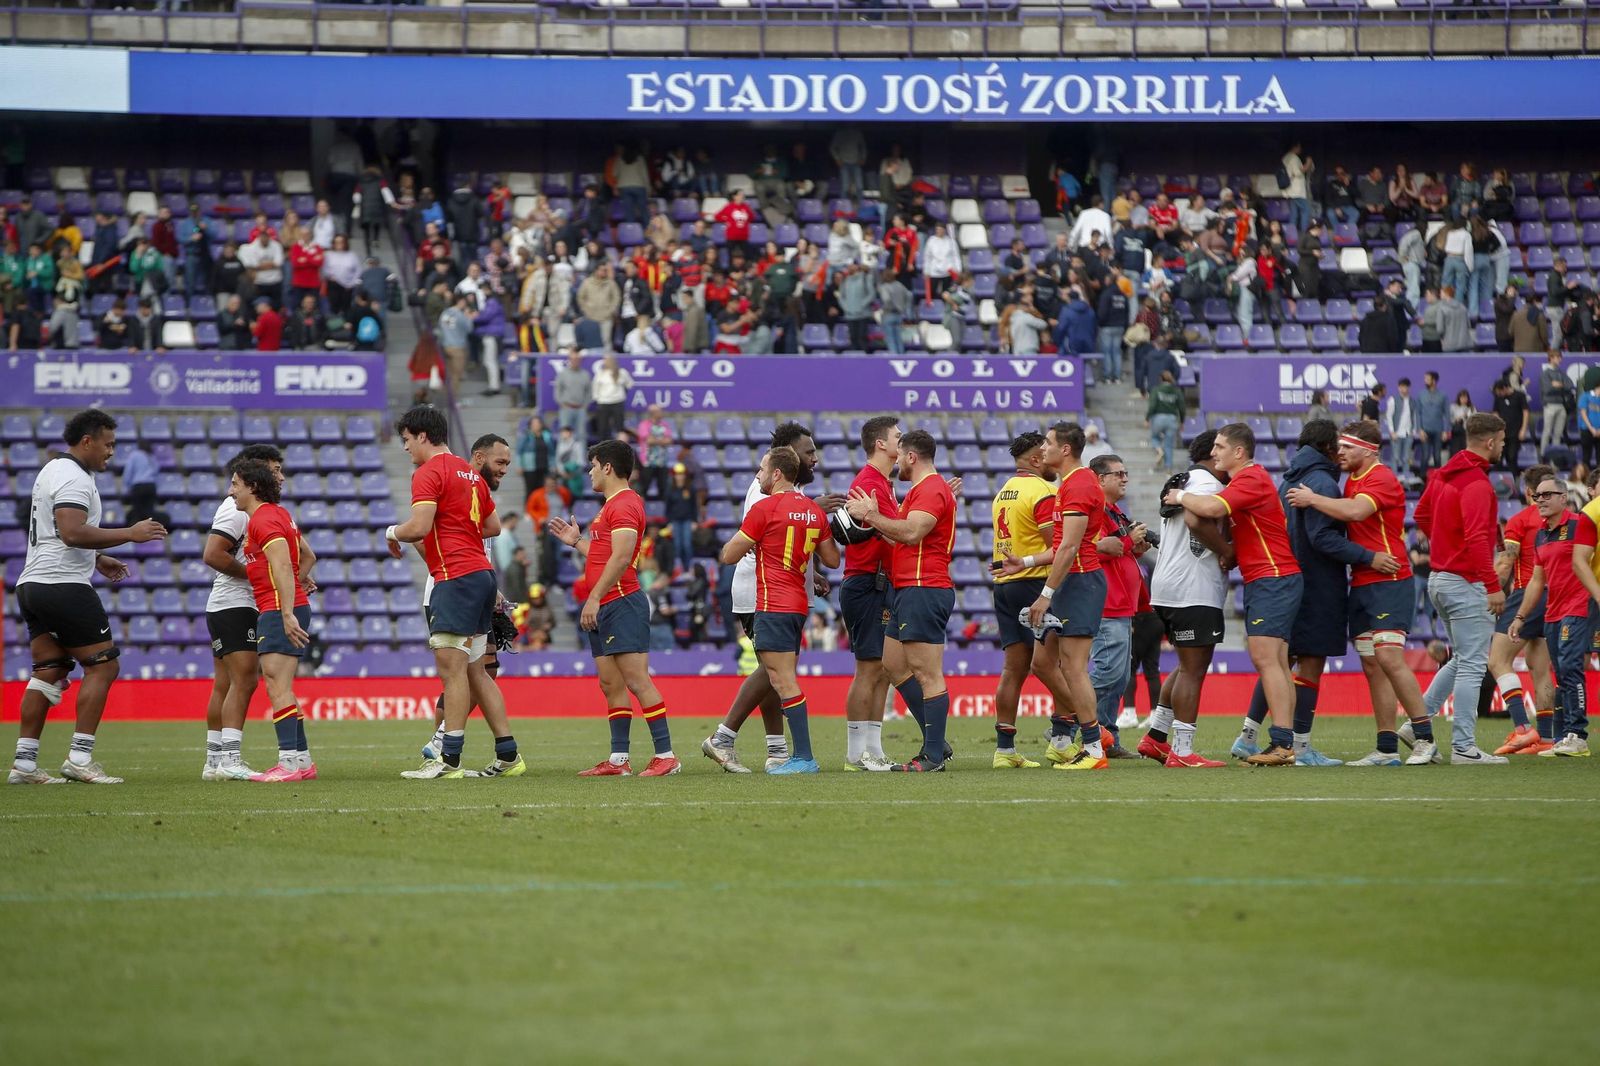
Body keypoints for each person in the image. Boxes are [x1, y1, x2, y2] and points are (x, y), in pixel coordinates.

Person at [9, 410, 166, 785]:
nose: (111, 452)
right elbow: (71, 532)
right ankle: (80, 758)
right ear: (87, 441)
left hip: (33, 583)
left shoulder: (52, 470)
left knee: (50, 670)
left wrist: (98, 559)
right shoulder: (74, 478)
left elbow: (55, 533)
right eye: (108, 444)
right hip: (62, 584)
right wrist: (130, 533)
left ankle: (25, 764)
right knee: (103, 666)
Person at [1287, 421, 1439, 766]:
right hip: (1363, 581)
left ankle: (1426, 738)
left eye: (1347, 448)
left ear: (1369, 450)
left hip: (1390, 578)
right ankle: (1386, 747)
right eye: (1339, 447)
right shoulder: (1353, 480)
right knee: (1371, 664)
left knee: (1388, 659)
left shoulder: (1380, 477)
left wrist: (1313, 498)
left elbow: (1357, 511)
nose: (1339, 453)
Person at [386, 406, 519, 779]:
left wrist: (391, 533)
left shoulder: (429, 472)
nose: (406, 448)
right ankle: (507, 754)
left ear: (422, 435)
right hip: (482, 576)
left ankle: (448, 761)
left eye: (407, 440)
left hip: (454, 577)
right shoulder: (470, 474)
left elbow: (418, 527)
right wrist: (461, 526)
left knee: (453, 673)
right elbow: (491, 526)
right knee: (477, 671)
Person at [703, 423, 843, 772]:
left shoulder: (779, 499)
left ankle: (770, 747)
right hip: (764, 592)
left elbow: (763, 543)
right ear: (789, 457)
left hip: (776, 593)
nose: (815, 458)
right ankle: (752, 743)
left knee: (777, 671)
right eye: (808, 452)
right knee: (776, 670)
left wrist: (811, 572)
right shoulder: (769, 494)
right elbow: (770, 543)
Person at [1164, 423, 1303, 766]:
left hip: (1272, 577)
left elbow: (1210, 510)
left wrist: (1179, 496)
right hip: (1269, 577)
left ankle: (1282, 743)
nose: (1214, 453)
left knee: (1267, 659)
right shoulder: (1247, 480)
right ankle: (1285, 742)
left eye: (1221, 447)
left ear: (1238, 452)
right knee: (1277, 662)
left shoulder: (1251, 478)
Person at [1228, 420, 1360, 765]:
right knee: (1306, 664)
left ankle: (1249, 735)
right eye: (1340, 446)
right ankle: (1299, 747)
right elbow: (1322, 538)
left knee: (1278, 660)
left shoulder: (1290, 477)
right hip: (1315, 582)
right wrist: (1366, 555)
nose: (1342, 452)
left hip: (1286, 577)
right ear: (1329, 448)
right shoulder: (1322, 482)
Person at [550, 440, 681, 777]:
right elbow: (607, 553)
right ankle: (619, 761)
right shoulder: (611, 506)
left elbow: (623, 557)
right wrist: (577, 542)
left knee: (637, 680)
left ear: (607, 467)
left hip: (621, 602)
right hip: (608, 602)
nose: (591, 472)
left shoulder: (623, 504)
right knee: (611, 685)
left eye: (593, 465)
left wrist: (593, 597)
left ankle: (666, 756)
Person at [844, 429, 957, 772]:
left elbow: (910, 532)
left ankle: (933, 754)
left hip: (925, 587)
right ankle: (937, 741)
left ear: (911, 457)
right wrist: (875, 523)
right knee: (892, 664)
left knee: (927, 673)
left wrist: (871, 516)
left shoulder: (930, 489)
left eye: (901, 454)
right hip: (909, 587)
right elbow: (902, 537)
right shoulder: (924, 491)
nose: (897, 463)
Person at [1407, 412, 1509, 763]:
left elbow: (1420, 515)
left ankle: (1415, 723)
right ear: (1490, 441)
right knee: (1473, 664)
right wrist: (1493, 586)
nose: (1504, 447)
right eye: (1503, 440)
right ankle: (1464, 747)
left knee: (1463, 658)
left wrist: (1445, 543)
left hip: (1438, 579)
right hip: (1465, 581)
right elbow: (1479, 540)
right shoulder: (1478, 484)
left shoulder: (1443, 476)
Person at [201, 445, 297, 781]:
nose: (279, 476)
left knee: (225, 684)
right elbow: (213, 554)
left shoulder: (254, 509)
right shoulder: (238, 510)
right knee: (244, 681)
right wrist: (257, 576)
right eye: (274, 469)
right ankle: (229, 759)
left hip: (227, 604)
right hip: (236, 603)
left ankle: (214, 761)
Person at [1020, 423, 1111, 771]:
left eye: (1048, 443)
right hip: (1071, 580)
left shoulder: (1080, 485)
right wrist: (1025, 561)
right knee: (1042, 664)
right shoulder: (1069, 484)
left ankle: (1093, 748)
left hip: (1080, 582)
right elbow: (1061, 547)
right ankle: (1094, 732)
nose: (1043, 448)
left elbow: (1071, 548)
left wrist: (1045, 595)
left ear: (1066, 450)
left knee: (1073, 667)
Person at [1138, 432, 1231, 767]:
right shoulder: (1208, 485)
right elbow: (1195, 521)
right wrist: (1226, 550)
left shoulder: (1183, 480)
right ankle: (1183, 751)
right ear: (1211, 454)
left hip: (1167, 586)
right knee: (1194, 670)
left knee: (1186, 665)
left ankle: (1156, 737)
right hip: (1193, 587)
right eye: (1220, 449)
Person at [990, 431, 1078, 769]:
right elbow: (1055, 547)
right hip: (1035, 586)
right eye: (1046, 451)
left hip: (1005, 585)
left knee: (1014, 669)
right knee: (1052, 665)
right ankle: (1068, 736)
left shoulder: (1003, 492)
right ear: (1036, 459)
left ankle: (1005, 750)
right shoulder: (1043, 491)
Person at [228, 460, 317, 783]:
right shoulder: (279, 515)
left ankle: (288, 764)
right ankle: (302, 761)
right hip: (284, 606)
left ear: (252, 486)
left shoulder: (262, 520)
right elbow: (308, 557)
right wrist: (297, 590)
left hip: (277, 608)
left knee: (277, 685)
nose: (231, 491)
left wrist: (287, 611)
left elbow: (280, 564)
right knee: (284, 687)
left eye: (236, 484)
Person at [1509, 476, 1600, 758]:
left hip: (1578, 605)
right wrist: (1520, 616)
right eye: (1537, 496)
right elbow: (1537, 581)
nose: (1541, 500)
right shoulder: (1541, 534)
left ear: (1564, 497)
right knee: (1561, 673)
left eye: (1548, 495)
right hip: (1552, 611)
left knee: (1571, 668)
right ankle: (1563, 737)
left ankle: (1579, 735)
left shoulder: (1580, 524)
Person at [830, 416, 901, 772]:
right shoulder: (867, 483)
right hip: (865, 581)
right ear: (880, 444)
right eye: (897, 437)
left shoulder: (883, 484)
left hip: (880, 581)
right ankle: (856, 754)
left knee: (883, 669)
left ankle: (872, 749)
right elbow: (890, 534)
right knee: (868, 668)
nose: (901, 443)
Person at [1483, 465, 1559, 756]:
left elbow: (1505, 564)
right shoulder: (1564, 520)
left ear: (1528, 491)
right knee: (1540, 669)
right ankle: (1546, 739)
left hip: (1527, 594)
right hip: (1556, 597)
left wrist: (1486, 592)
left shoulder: (1520, 520)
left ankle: (1522, 730)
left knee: (1497, 661)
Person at [1088, 454, 1148, 758]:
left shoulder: (1114, 511)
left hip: (1122, 606)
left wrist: (1135, 544)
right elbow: (1097, 549)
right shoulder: (1095, 510)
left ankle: (1106, 736)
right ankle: (1076, 725)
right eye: (1118, 474)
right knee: (1107, 673)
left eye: (1126, 473)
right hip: (1107, 604)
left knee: (1120, 676)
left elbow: (1118, 548)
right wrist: (1127, 539)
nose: (1125, 478)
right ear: (1100, 479)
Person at [1146, 370, 1184, 471]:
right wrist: (1182, 421)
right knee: (1169, 444)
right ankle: (1168, 467)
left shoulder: (1156, 390)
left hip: (1158, 418)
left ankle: (1159, 450)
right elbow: (1182, 407)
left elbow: (1152, 405)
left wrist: (1147, 418)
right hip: (1172, 419)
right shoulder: (1176, 391)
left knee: (1154, 437)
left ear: (1161, 379)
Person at [590, 353, 632, 442]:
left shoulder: (622, 372)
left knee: (619, 427)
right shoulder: (600, 374)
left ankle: (620, 447)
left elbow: (629, 384)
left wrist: (621, 394)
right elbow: (595, 388)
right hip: (604, 402)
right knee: (603, 427)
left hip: (618, 402)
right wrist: (597, 399)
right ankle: (603, 447)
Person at [1385, 376, 1420, 480]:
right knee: (1395, 457)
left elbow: (1414, 416)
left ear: (1409, 388)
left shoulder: (1412, 401)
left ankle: (1406, 477)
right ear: (1398, 387)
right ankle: (1394, 477)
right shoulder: (1392, 400)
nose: (1404, 389)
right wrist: (1391, 431)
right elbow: (1389, 416)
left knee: (1406, 458)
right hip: (1396, 433)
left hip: (1408, 433)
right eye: (1401, 387)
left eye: (1406, 387)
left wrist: (1413, 431)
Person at [1540, 349, 1573, 460]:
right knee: (1547, 432)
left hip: (1561, 405)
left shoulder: (1561, 372)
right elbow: (1547, 389)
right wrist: (1556, 386)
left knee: (1558, 434)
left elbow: (1570, 385)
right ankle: (1543, 456)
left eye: (1560, 357)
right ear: (1551, 358)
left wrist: (1558, 385)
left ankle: (1555, 459)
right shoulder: (1545, 373)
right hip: (1549, 405)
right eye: (1557, 357)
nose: (1560, 359)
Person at [553, 350, 592, 438]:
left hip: (580, 409)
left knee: (581, 435)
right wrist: (561, 403)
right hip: (566, 408)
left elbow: (589, 392)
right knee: (565, 436)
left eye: (577, 359)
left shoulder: (585, 374)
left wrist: (585, 405)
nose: (575, 361)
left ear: (580, 361)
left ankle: (581, 452)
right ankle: (564, 452)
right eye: (573, 359)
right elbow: (558, 390)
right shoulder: (563, 374)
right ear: (569, 360)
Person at [1417, 371, 1449, 472]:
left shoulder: (1443, 395)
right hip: (1425, 430)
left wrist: (1445, 430)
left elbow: (1447, 414)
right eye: (1425, 378)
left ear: (1434, 381)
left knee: (1437, 457)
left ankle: (1438, 482)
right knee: (1425, 456)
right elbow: (1418, 413)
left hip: (1438, 431)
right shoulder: (1421, 394)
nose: (1425, 381)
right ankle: (1422, 480)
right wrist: (1420, 429)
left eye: (1427, 379)